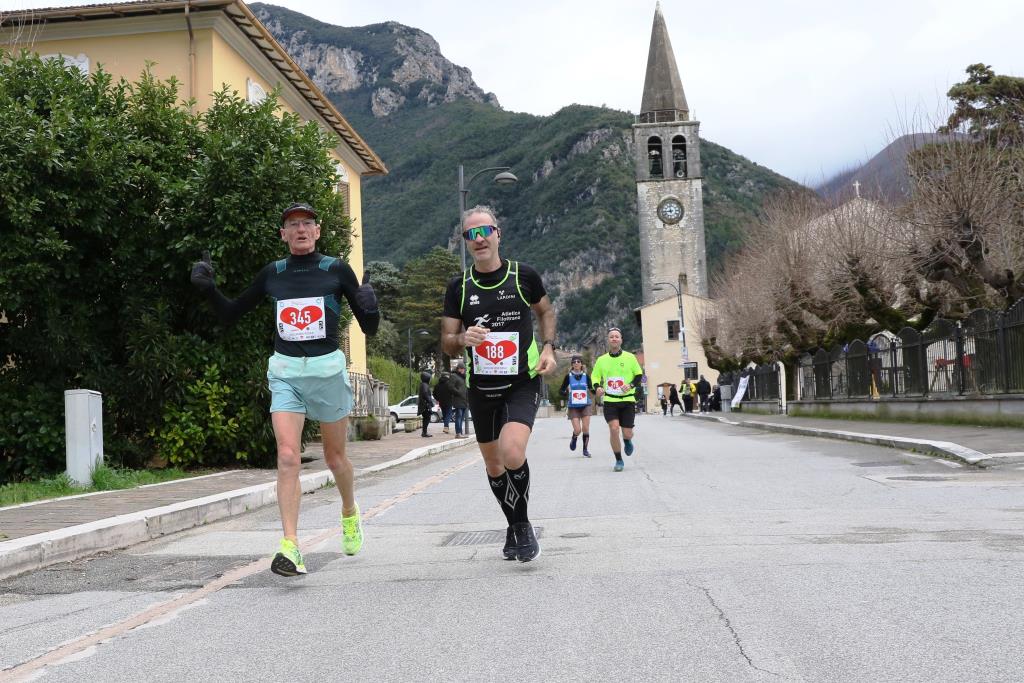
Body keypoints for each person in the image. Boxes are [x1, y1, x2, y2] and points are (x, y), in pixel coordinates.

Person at [190, 202, 378, 577]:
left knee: (335, 458)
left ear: (318, 231)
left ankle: (349, 511)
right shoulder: (273, 273)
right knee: (288, 456)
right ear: (283, 235)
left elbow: (369, 328)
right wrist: (209, 291)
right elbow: (230, 314)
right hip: (286, 371)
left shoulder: (336, 269)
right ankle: (290, 546)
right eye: (293, 225)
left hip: (327, 371)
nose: (300, 229)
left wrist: (371, 307)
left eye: (307, 223)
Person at [441, 205, 557, 563]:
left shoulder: (523, 276)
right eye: (471, 234)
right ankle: (514, 525)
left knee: (512, 452)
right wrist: (462, 339)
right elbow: (446, 341)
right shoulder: (459, 287)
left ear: (497, 234)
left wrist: (548, 347)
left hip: (521, 381)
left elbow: (545, 311)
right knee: (494, 466)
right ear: (466, 241)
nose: (479, 239)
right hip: (481, 388)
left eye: (485, 231)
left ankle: (522, 526)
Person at [591, 328, 643, 472]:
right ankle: (619, 459)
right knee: (614, 429)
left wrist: (630, 385)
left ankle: (627, 440)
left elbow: (639, 375)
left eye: (616, 336)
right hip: (610, 400)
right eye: (611, 337)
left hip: (627, 400)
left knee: (627, 433)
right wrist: (597, 387)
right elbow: (595, 376)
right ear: (608, 340)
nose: (614, 338)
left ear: (621, 340)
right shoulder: (601, 360)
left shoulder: (630, 357)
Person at [559, 355, 593, 457]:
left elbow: (592, 389)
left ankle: (585, 450)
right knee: (578, 430)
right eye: (574, 362)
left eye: (578, 361)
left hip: (585, 404)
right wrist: (566, 392)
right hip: (573, 406)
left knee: (585, 428)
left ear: (581, 364)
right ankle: (574, 437)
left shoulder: (586, 376)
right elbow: (561, 390)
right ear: (572, 365)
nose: (576, 363)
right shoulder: (568, 377)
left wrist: (598, 390)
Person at [448, 362, 469, 438]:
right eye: (461, 368)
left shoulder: (463, 377)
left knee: (462, 417)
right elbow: (450, 387)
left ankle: (460, 432)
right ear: (458, 369)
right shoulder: (454, 376)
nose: (463, 370)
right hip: (458, 399)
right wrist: (458, 392)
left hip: (464, 400)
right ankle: (458, 433)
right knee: (459, 417)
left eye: (464, 369)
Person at [433, 369, 453, 434]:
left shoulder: (437, 385)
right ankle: (446, 427)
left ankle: (446, 428)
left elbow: (434, 394)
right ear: (446, 376)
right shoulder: (449, 384)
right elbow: (453, 392)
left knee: (445, 415)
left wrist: (438, 399)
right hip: (449, 401)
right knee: (448, 414)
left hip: (441, 402)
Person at [418, 370, 434, 437]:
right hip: (425, 405)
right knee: (427, 418)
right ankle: (424, 432)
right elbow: (425, 394)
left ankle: (424, 432)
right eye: (429, 378)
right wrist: (429, 401)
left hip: (425, 404)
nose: (430, 380)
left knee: (426, 418)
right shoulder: (424, 385)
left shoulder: (423, 385)